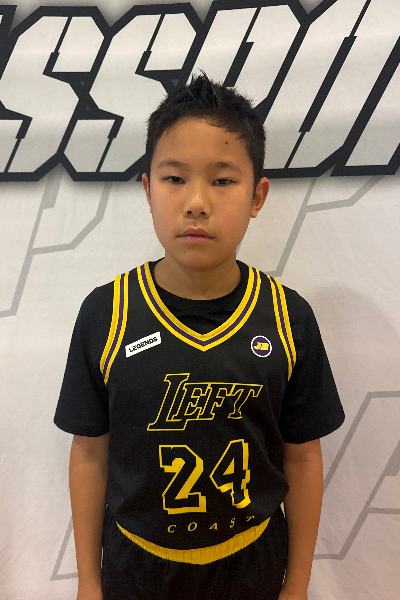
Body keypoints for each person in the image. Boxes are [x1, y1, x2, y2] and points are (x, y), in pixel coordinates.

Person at [54, 73, 345, 600]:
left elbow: (303, 457)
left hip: (252, 564)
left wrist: (298, 584)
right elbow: (90, 453)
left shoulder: (288, 317)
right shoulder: (106, 313)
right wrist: (88, 582)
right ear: (148, 189)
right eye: (174, 178)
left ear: (257, 196)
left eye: (222, 181)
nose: (196, 202)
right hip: (136, 567)